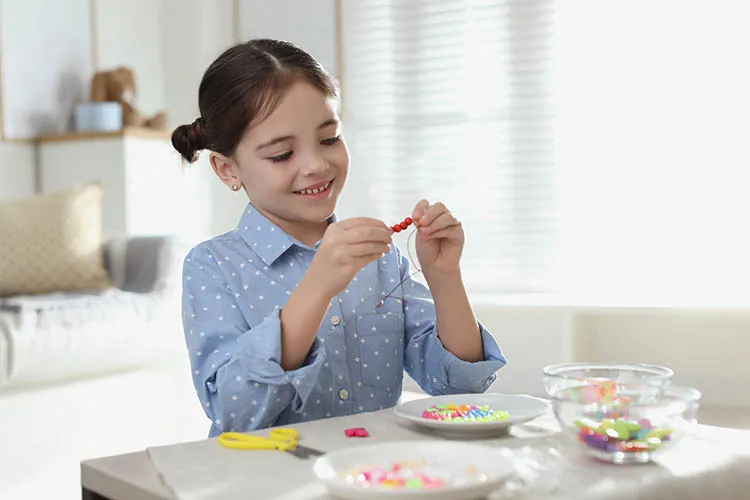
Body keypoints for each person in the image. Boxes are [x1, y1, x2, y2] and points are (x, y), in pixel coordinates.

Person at [172, 39, 507, 437]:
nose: (315, 165)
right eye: (281, 155)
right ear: (228, 170)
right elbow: (234, 411)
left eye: (329, 139)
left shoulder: (381, 259)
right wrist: (317, 286)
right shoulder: (211, 266)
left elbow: (458, 387)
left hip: (375, 477)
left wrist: (445, 277)